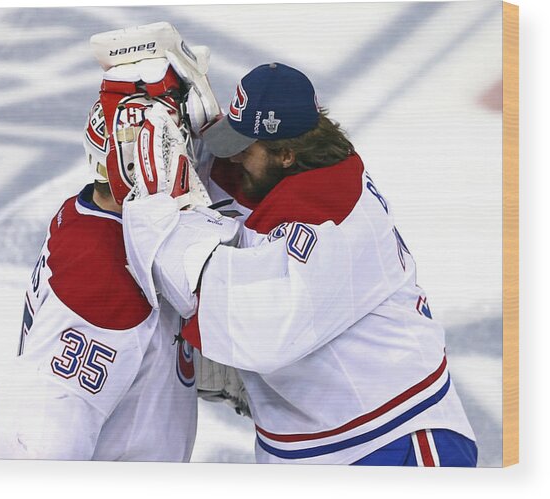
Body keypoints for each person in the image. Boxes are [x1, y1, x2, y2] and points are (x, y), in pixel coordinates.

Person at [122, 62, 478, 466]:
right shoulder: (298, 175)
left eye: (244, 148)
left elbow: (255, 325)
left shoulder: (330, 220)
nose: (234, 158)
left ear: (287, 154)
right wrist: (179, 124)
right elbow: (235, 187)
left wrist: (154, 209)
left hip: (394, 440)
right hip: (322, 439)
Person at [0, 23, 222, 460]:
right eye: (173, 144)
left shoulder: (101, 218)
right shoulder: (104, 281)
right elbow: (37, 448)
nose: (186, 158)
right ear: (139, 160)